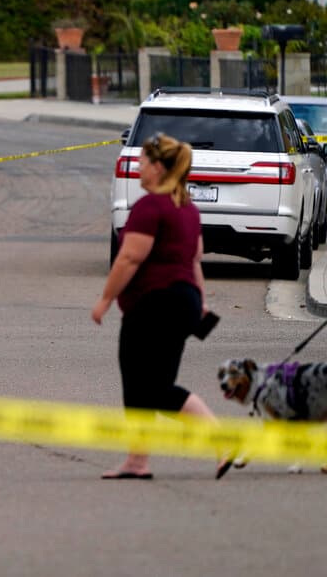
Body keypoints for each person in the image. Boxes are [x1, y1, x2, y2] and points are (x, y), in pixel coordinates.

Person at [90, 133, 230, 480]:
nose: (138, 167)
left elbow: (129, 258)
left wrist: (105, 299)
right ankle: (138, 461)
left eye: (142, 161)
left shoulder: (150, 206)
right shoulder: (187, 208)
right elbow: (194, 260)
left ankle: (221, 440)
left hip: (155, 304)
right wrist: (200, 301)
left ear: (158, 167)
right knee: (152, 385)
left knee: (148, 387)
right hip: (182, 302)